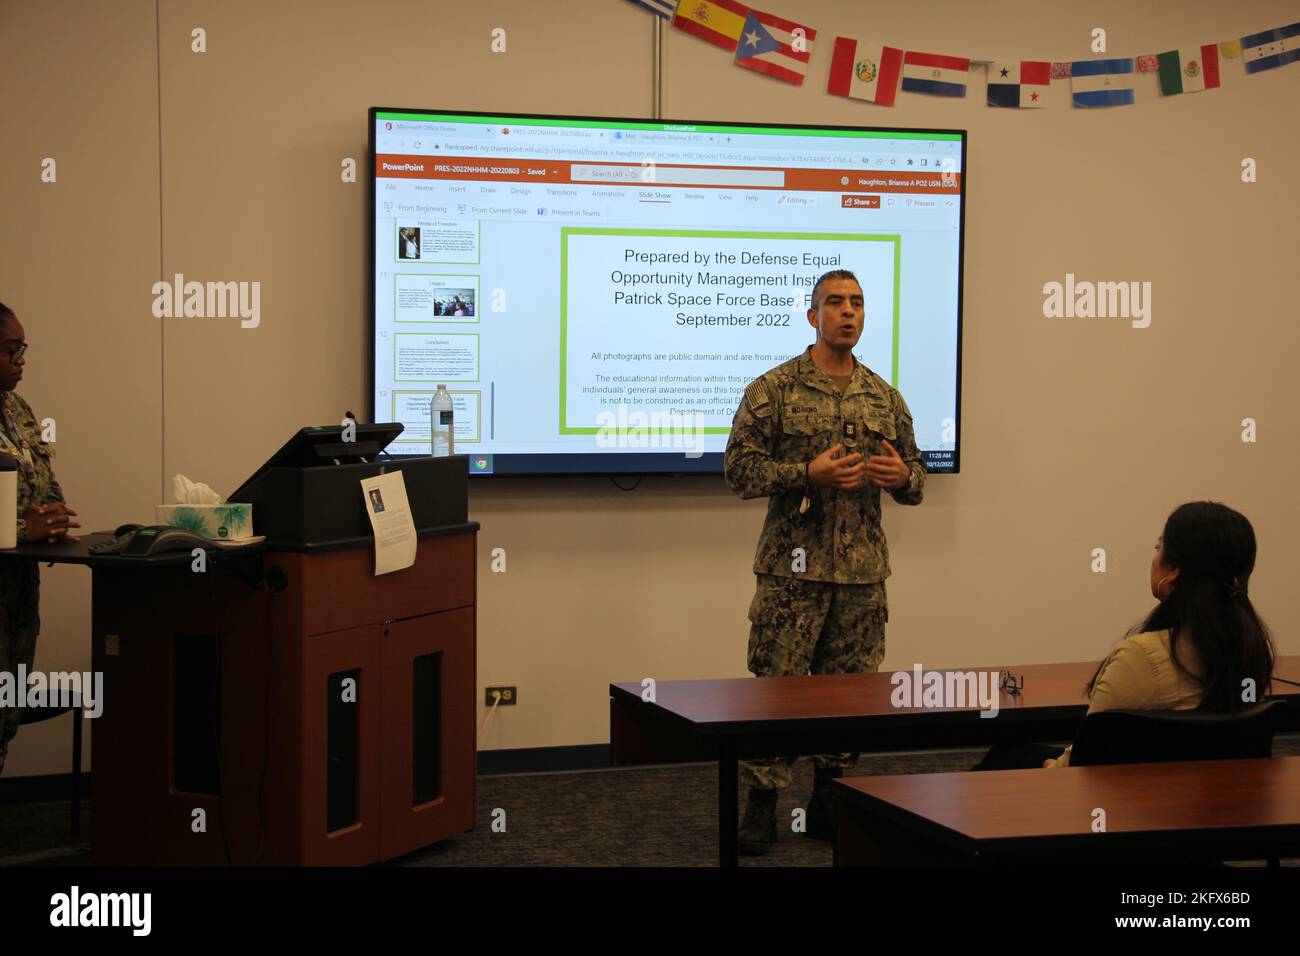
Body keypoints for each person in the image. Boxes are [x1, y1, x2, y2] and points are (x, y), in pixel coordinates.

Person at [723, 269, 926, 854]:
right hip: (792, 574)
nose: (848, 312)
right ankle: (762, 806)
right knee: (778, 693)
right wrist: (803, 474)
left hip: (861, 577)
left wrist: (903, 477)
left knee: (849, 695)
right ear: (812, 316)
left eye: (857, 303)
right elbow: (738, 471)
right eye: (835, 302)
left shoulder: (884, 397)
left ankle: (827, 800)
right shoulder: (774, 390)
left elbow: (916, 480)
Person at [973, 501, 1275, 771]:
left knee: (1008, 756)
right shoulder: (1252, 649)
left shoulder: (1142, 657)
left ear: (1174, 572)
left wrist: (1052, 766)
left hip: (1118, 807)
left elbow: (1085, 761)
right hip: (1207, 802)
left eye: (1159, 548)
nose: (1154, 557)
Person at [0, 301, 80, 775]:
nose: (22, 359)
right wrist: (18, 529)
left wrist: (50, 523)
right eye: (12, 349)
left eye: (22, 348)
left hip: (17, 595)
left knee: (6, 714)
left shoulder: (18, 410)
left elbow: (47, 488)